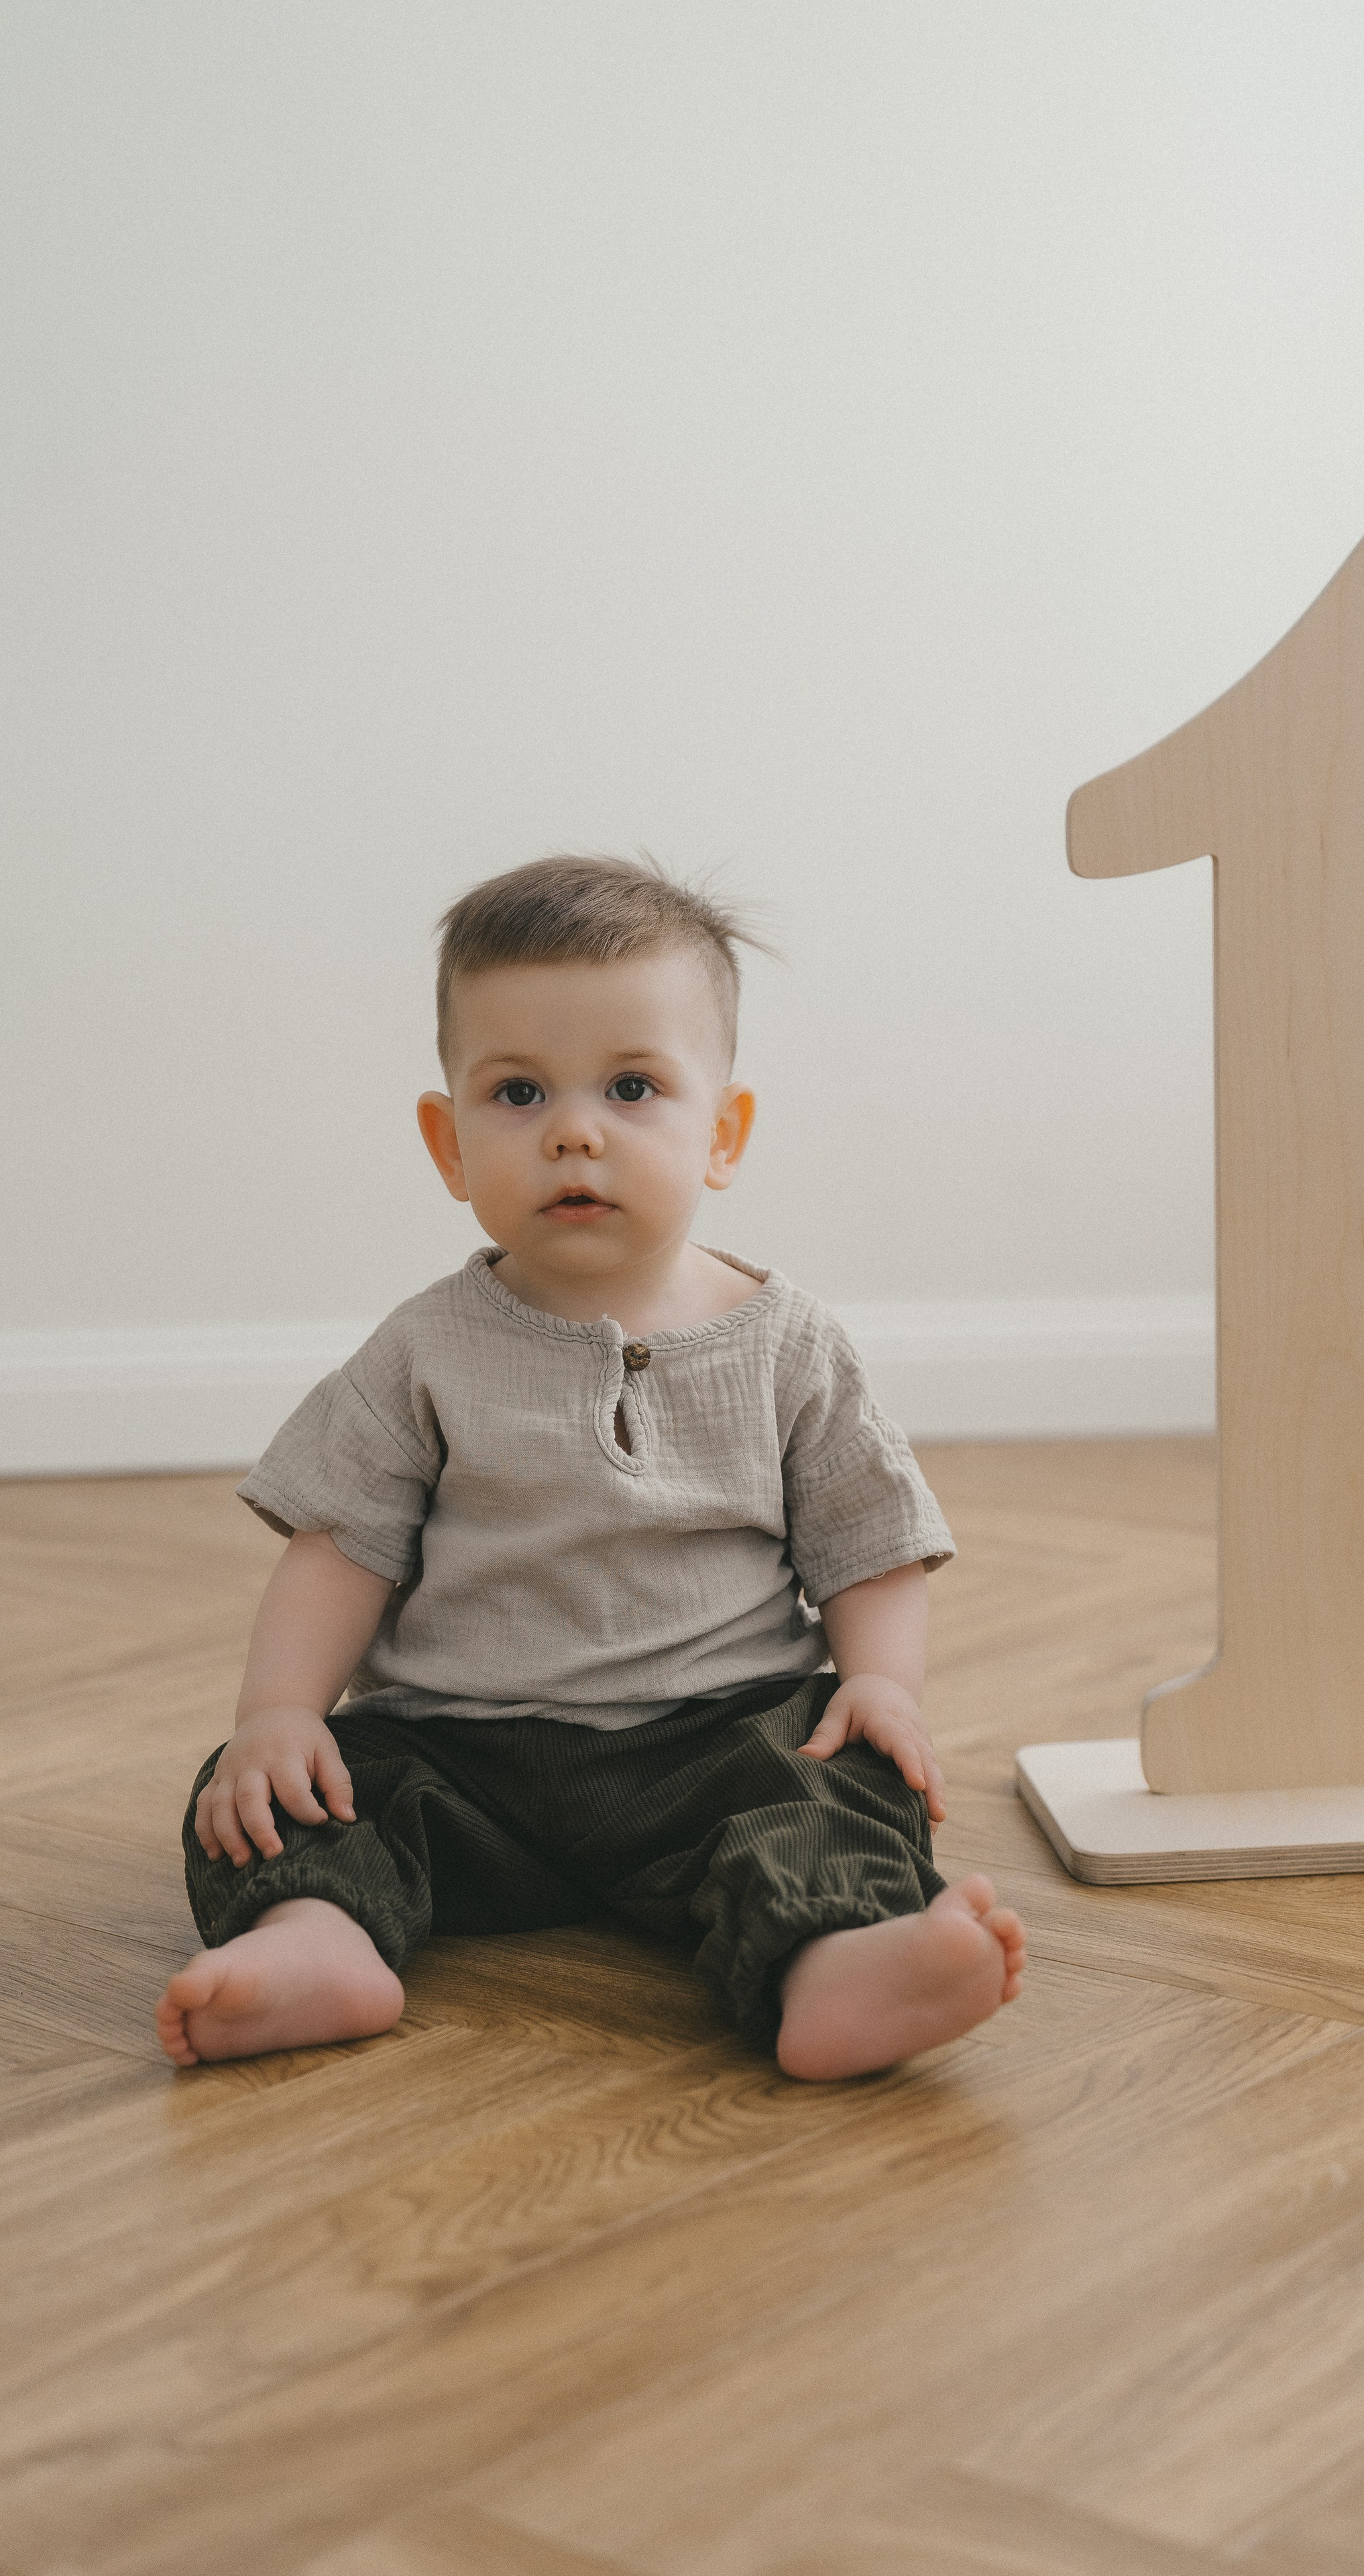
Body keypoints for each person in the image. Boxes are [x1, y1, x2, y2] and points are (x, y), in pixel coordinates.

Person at [154, 855, 1026, 2080]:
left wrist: (885, 1686)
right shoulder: (424, 1349)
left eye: (631, 1086)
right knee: (271, 1790)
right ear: (446, 1143)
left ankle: (831, 1964)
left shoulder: (791, 1344)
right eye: (517, 1093)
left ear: (721, 1134)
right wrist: (281, 1714)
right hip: (465, 1755)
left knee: (840, 1783)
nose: (573, 1129)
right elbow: (337, 1547)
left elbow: (866, 1545)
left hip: (719, 1742)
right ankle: (321, 1936)